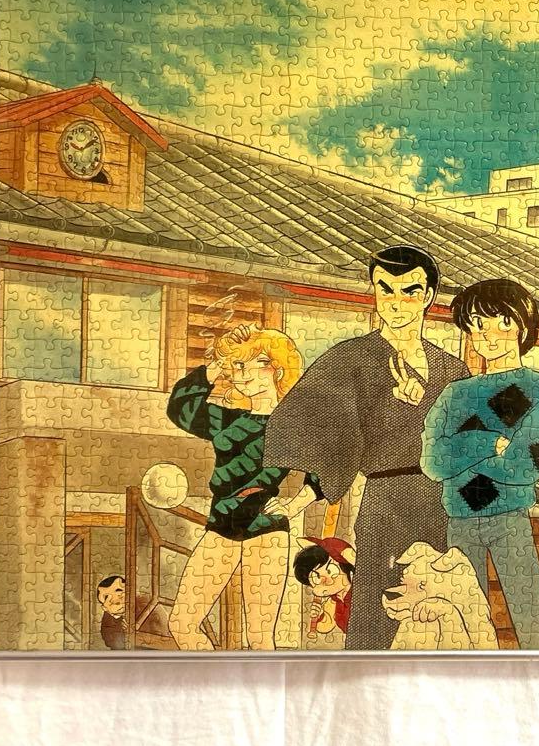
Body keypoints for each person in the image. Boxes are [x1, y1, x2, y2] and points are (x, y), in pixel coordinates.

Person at [263, 246, 470, 650]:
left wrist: (423, 405)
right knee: (376, 604)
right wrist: (297, 501)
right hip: (385, 498)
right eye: (385, 289)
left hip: (443, 502)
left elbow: (465, 443)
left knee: (437, 605)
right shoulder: (350, 358)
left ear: (428, 296)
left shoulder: (453, 370)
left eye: (409, 291)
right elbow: (335, 440)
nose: (396, 302)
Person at [421, 279, 539, 649]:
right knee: (465, 624)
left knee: (530, 621)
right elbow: (433, 462)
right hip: (457, 523)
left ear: (521, 326)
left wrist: (461, 455)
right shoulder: (455, 393)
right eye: (477, 324)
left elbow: (523, 466)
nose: (488, 334)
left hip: (510, 520)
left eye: (501, 321)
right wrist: (488, 442)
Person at [166, 323, 310, 650]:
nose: (239, 374)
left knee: (259, 638)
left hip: (266, 528)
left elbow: (327, 466)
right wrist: (216, 365)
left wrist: (294, 505)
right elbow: (180, 408)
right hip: (222, 522)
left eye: (247, 364)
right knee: (182, 625)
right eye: (237, 366)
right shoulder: (228, 420)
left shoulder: (292, 426)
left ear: (276, 369)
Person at [293, 538, 355, 638]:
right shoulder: (333, 601)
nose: (326, 580)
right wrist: (320, 615)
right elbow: (324, 627)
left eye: (330, 571)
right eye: (317, 578)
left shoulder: (361, 591)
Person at [96, 575, 127, 650]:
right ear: (105, 607)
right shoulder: (108, 619)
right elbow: (111, 642)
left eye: (118, 590)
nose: (115, 598)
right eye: (107, 597)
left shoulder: (141, 606)